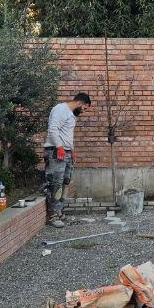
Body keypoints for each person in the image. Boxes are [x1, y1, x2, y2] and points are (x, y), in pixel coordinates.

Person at [43, 91, 91, 227]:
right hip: (56, 151)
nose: (84, 111)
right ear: (80, 103)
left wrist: (72, 151)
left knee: (65, 182)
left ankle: (59, 211)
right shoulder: (60, 110)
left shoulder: (71, 114)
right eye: (85, 107)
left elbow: (68, 135)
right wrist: (59, 147)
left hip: (66, 152)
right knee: (55, 183)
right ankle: (52, 216)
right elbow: (53, 129)